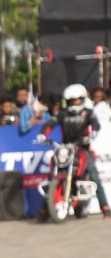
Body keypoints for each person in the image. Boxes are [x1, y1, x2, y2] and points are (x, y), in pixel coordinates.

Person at [37, 84, 110, 218]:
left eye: (76, 100)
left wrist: (92, 134)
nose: (73, 103)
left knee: (94, 176)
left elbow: (96, 126)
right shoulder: (63, 114)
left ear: (82, 99)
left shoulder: (89, 112)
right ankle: (44, 210)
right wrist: (42, 134)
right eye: (71, 100)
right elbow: (50, 124)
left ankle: (105, 208)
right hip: (65, 148)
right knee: (52, 173)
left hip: (82, 148)